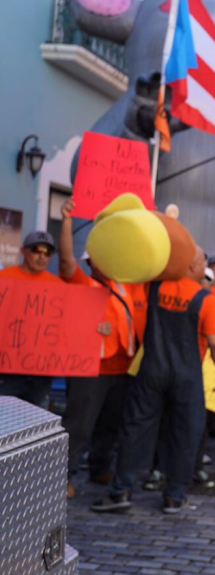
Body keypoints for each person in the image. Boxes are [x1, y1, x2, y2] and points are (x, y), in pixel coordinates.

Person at [92, 246, 215, 515]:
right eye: (203, 263)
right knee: (185, 431)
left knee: (135, 427)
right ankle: (174, 496)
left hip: (152, 368)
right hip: (187, 374)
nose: (205, 267)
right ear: (193, 266)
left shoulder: (155, 287)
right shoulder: (205, 298)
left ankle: (121, 490)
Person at [58, 199, 137, 498]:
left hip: (122, 367)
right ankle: (62, 476)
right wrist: (67, 220)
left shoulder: (125, 285)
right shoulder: (83, 283)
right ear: (91, 263)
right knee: (79, 425)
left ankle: (99, 466)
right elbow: (66, 262)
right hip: (91, 368)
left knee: (110, 423)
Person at [0, 230, 64, 407]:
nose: (42, 257)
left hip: (41, 370)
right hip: (7, 367)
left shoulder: (59, 287)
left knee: (37, 418)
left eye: (47, 252)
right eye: (36, 250)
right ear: (23, 251)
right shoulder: (4, 279)